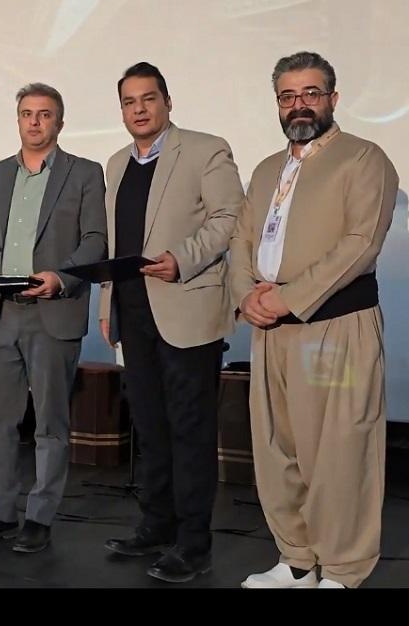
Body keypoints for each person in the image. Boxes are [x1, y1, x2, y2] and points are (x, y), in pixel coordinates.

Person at [230, 52, 399, 589]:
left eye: (310, 93)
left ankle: (343, 569)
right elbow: (242, 240)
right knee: (277, 448)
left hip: (333, 330)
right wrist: (246, 297)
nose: (298, 104)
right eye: (288, 96)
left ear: (332, 98)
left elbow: (361, 244)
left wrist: (289, 297)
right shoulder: (266, 169)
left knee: (338, 449)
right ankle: (298, 560)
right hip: (272, 331)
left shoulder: (363, 159)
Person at [98, 62, 244, 582]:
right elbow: (116, 241)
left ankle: (194, 544)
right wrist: (107, 305)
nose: (139, 109)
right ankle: (156, 525)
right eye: (129, 102)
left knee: (190, 429)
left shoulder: (206, 149)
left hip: (186, 308)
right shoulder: (116, 162)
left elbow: (230, 217)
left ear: (167, 102)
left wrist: (182, 259)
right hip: (133, 312)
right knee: (150, 427)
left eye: (148, 98)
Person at [0, 82, 106, 553]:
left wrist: (62, 277)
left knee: (49, 425)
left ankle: (39, 518)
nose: (35, 122)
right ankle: (0, 512)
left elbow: (96, 239)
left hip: (53, 312)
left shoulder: (85, 172)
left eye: (44, 114)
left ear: (59, 122)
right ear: (18, 119)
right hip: (1, 313)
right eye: (27, 113)